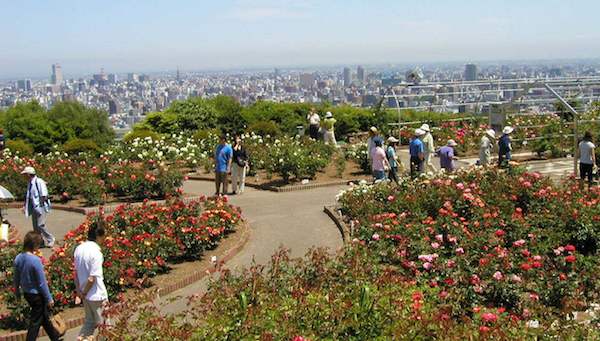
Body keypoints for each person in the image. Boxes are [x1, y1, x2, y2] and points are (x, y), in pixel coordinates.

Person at [13, 231, 62, 341]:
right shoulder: (35, 260)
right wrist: (49, 298)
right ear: (35, 245)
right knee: (35, 322)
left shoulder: (18, 258)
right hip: (37, 295)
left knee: (44, 318)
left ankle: (55, 337)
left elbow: (16, 278)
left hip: (27, 293)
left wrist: (17, 292)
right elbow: (41, 282)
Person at [74, 221, 108, 340]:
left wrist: (80, 292)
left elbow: (76, 273)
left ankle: (81, 339)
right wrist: (83, 292)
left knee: (89, 323)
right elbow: (92, 277)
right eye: (104, 235)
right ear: (99, 236)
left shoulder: (79, 248)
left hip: (86, 295)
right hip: (97, 295)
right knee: (104, 326)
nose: (105, 238)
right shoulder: (96, 252)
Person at [22, 167, 55, 248]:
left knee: (41, 225)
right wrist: (25, 206)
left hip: (40, 206)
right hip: (33, 207)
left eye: (25, 174)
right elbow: (29, 196)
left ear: (29, 174)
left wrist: (41, 206)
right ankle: (40, 242)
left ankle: (50, 239)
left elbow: (44, 194)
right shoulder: (30, 183)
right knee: (36, 227)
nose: (24, 176)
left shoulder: (38, 181)